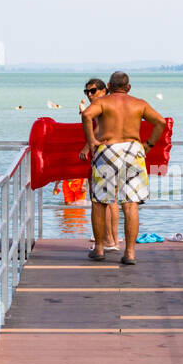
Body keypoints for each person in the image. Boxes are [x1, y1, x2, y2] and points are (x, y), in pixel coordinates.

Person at [80, 71, 166, 264]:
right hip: (133, 150)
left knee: (100, 202)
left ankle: (100, 249)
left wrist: (91, 140)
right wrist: (149, 145)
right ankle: (130, 253)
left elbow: (86, 115)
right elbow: (160, 122)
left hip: (108, 149)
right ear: (128, 87)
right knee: (131, 203)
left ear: (109, 86)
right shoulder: (139, 103)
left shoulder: (102, 102)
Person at [79, 78, 120, 252]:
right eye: (86, 92)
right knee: (112, 200)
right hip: (118, 154)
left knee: (102, 200)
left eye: (93, 91)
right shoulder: (114, 103)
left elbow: (100, 128)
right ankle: (112, 240)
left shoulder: (102, 103)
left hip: (106, 154)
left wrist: (87, 146)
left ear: (104, 90)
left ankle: (107, 241)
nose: (89, 94)